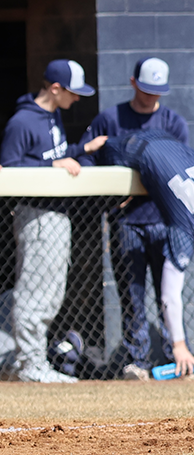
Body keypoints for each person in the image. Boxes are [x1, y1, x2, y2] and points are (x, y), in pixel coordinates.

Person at [79, 57, 189, 380]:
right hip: (127, 220)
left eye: (157, 92)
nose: (151, 97)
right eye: (145, 90)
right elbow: (91, 161)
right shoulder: (109, 119)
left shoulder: (172, 122)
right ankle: (137, 361)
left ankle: (175, 359)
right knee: (132, 292)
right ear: (132, 83)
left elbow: (177, 173)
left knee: (167, 290)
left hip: (165, 221)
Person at [0, 59, 108, 383]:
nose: (77, 100)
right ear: (55, 88)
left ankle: (33, 362)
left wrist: (81, 149)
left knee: (50, 293)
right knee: (35, 292)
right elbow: (10, 170)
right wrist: (54, 167)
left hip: (57, 214)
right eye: (73, 93)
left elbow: (50, 155)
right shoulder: (22, 121)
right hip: (37, 214)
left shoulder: (52, 115)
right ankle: (30, 365)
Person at [93, 130, 194, 376]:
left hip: (166, 142)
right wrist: (179, 345)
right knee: (100, 151)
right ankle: (166, 355)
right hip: (132, 148)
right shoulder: (185, 227)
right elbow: (169, 296)